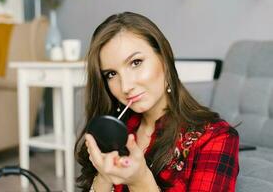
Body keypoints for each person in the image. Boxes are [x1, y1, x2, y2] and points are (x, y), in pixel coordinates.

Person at [74, 12, 239, 192]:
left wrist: (140, 181)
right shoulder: (117, 131)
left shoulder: (216, 138)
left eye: (136, 62)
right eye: (111, 74)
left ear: (164, 59)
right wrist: (104, 175)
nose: (126, 86)